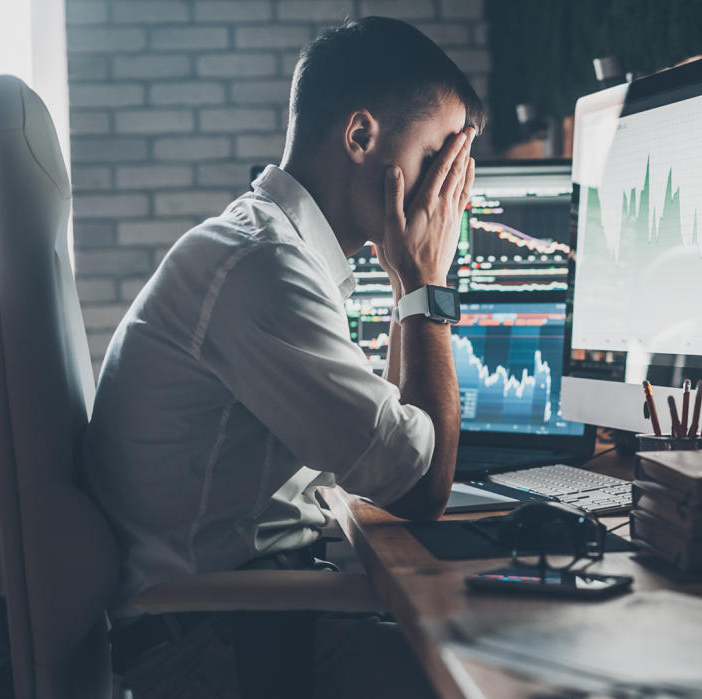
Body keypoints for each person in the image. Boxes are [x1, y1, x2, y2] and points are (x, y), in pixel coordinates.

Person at [83, 16, 484, 697]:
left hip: (245, 617)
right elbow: (420, 486)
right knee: (503, 668)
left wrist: (406, 281)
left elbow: (387, 451)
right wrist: (426, 284)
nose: (441, 196)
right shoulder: (263, 267)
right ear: (361, 137)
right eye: (435, 160)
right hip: (216, 649)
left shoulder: (265, 247)